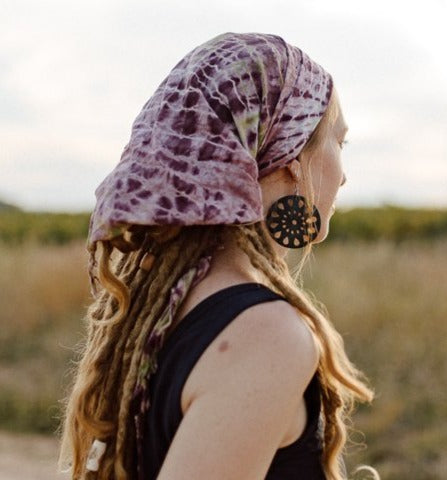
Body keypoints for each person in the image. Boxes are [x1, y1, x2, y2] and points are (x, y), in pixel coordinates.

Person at [57, 32, 377, 480]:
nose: (342, 178)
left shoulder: (165, 299)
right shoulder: (264, 335)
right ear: (291, 158)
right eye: (338, 144)